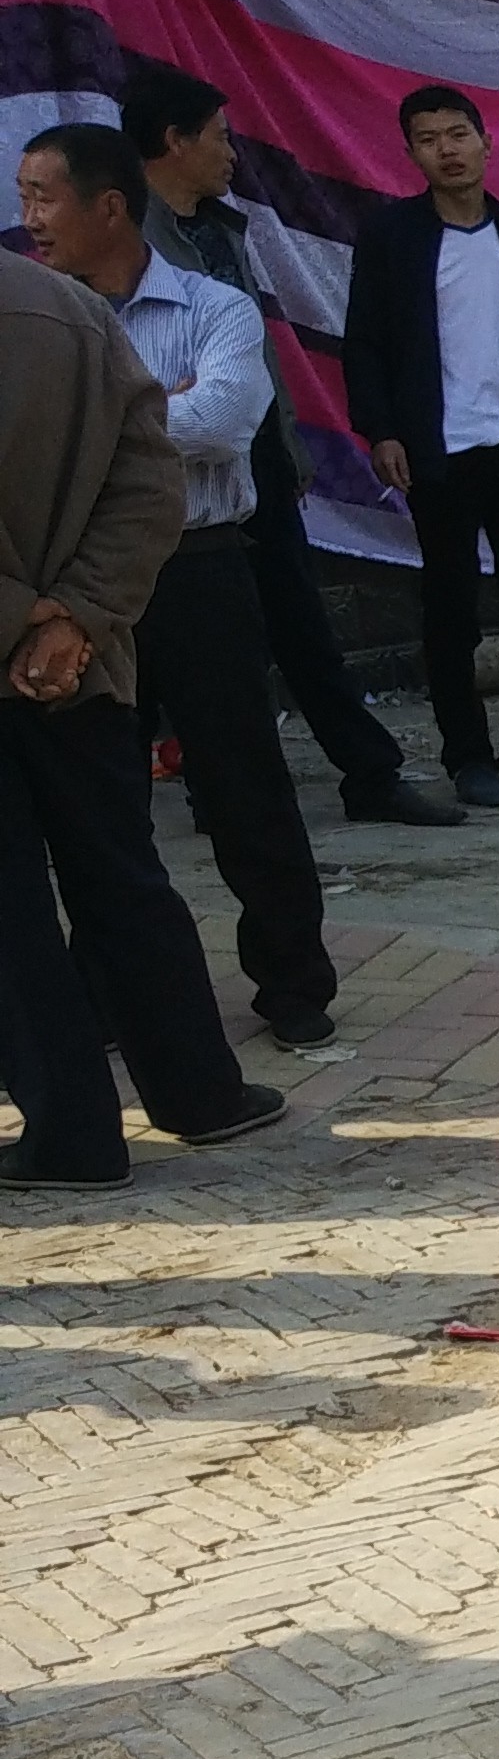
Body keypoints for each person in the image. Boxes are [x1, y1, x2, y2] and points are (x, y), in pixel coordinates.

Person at [20, 126, 340, 1050]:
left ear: (108, 205)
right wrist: (163, 406)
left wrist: (102, 424)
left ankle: (293, 982)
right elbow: (76, 433)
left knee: (241, 779)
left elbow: (229, 418)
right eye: (23, 195)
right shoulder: (41, 318)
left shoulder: (215, 306)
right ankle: (115, 993)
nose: (29, 220)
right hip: (84, 582)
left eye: (45, 197)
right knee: (99, 795)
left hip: (200, 568)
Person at [0, 238, 284, 1187]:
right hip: (81, 665)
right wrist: (75, 616)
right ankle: (201, 1093)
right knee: (120, 873)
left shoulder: (66, 312)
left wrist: (36, 619)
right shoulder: (71, 314)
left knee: (11, 908)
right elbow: (152, 482)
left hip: (55, 650)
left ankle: (72, 1133)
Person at [118, 66, 455, 830]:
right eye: (219, 138)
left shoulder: (217, 227)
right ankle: (195, 792)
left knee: (302, 629)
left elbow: (254, 358)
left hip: (253, 458)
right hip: (174, 472)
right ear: (174, 143)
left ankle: (369, 774)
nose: (230, 154)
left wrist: (285, 447)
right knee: (183, 650)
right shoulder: (127, 243)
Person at [341, 82, 499, 811]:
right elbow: (365, 342)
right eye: (430, 138)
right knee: (450, 610)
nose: (448, 149)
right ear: (410, 153)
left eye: (458, 134)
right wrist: (381, 430)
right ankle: (466, 755)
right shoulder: (393, 240)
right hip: (439, 453)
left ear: (486, 141)